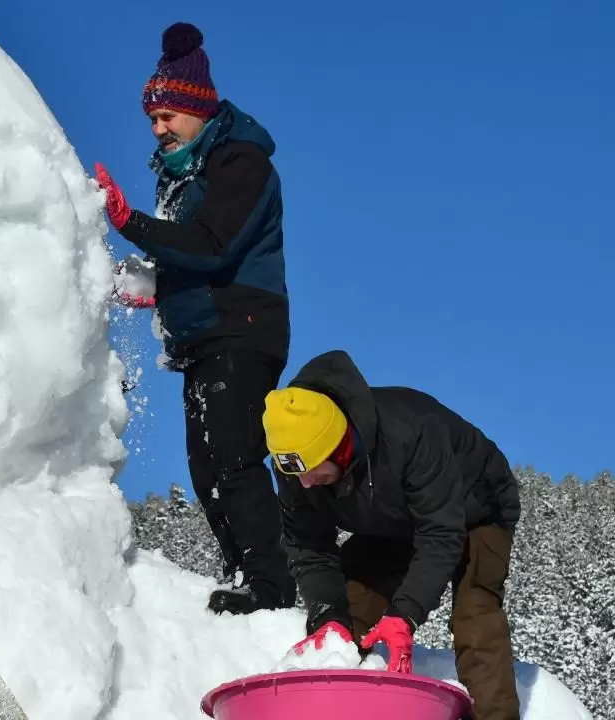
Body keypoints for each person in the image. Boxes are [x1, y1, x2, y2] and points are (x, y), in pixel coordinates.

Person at [94, 22, 294, 614]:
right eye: (151, 120)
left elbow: (211, 246)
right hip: (203, 334)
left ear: (197, 109)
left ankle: (271, 586)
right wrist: (149, 285)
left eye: (168, 118)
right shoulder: (181, 173)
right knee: (205, 467)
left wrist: (128, 222)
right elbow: (186, 258)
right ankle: (243, 572)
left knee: (233, 456)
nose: (158, 130)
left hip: (242, 327)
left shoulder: (241, 162)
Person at [267, 349, 521, 720]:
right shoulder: (296, 466)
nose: (304, 482)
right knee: (343, 618)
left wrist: (405, 614)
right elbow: (309, 548)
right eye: (294, 473)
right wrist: (327, 615)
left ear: (338, 447)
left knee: (475, 616)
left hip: (476, 511)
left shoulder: (412, 431)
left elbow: (441, 535)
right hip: (393, 522)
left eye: (311, 470)